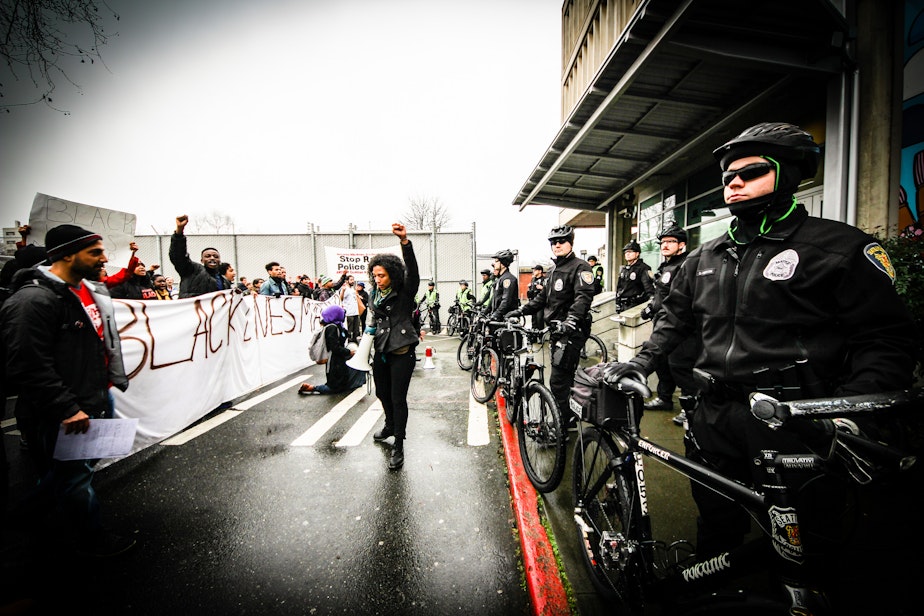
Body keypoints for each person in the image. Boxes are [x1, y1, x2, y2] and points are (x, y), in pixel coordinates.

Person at [603, 123, 919, 612]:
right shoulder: (705, 255)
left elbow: (886, 339)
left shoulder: (839, 249)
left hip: (796, 421)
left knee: (806, 549)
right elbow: (674, 323)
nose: (733, 182)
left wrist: (856, 412)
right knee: (717, 534)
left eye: (750, 172)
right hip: (712, 416)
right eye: (728, 175)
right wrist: (640, 365)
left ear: (789, 174)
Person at [0, 224, 134, 557]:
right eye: (95, 252)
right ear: (67, 254)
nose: (104, 258)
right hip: (67, 408)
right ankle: (93, 540)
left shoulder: (90, 291)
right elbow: (27, 363)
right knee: (76, 478)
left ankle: (25, 515)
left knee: (79, 468)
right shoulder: (34, 300)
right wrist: (66, 408)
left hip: (97, 396)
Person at [506, 225, 596, 427]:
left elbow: (583, 298)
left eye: (561, 241)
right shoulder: (554, 270)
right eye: (553, 243)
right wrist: (521, 311)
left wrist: (571, 321)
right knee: (564, 379)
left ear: (570, 243)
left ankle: (563, 425)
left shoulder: (581, 267)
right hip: (556, 331)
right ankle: (570, 416)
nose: (557, 245)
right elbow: (541, 299)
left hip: (572, 331)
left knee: (557, 381)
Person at [367, 223, 420, 471]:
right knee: (381, 393)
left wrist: (405, 243)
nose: (377, 280)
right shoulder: (373, 294)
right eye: (375, 275)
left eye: (382, 275)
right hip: (381, 350)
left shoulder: (405, 291)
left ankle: (398, 444)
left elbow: (414, 273)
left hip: (402, 351)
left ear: (393, 275)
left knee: (398, 399)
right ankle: (389, 425)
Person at [639, 225, 697, 422]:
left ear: (681, 244)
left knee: (681, 365)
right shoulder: (666, 266)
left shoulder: (686, 265)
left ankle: (691, 409)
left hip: (680, 327)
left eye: (670, 241)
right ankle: (664, 398)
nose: (665, 245)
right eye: (662, 242)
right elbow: (661, 295)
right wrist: (650, 308)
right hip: (662, 323)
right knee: (663, 364)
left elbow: (681, 300)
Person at [297, 305, 367, 395]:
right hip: (335, 363)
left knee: (342, 384)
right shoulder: (331, 328)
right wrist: (349, 352)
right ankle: (312, 388)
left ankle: (314, 388)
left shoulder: (337, 326)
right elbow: (335, 348)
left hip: (340, 361)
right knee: (335, 388)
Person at [169, 215, 232, 297]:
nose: (212, 258)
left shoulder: (225, 281)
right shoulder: (192, 271)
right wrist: (179, 232)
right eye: (208, 256)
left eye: (216, 256)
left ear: (219, 261)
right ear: (202, 260)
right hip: (193, 309)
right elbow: (178, 256)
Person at [614, 240, 654, 313]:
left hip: (636, 305)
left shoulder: (643, 268)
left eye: (630, 252)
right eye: (626, 252)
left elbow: (648, 288)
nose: (627, 254)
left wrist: (651, 303)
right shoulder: (625, 269)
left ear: (637, 254)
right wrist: (617, 302)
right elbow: (619, 287)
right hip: (623, 305)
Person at [489, 249, 519, 321]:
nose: (494, 263)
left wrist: (496, 314)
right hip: (499, 317)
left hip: (506, 319)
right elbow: (494, 298)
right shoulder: (500, 279)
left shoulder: (508, 279)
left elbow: (506, 300)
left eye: (496, 261)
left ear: (502, 263)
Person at [339, 274, 362, 343]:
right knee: (349, 329)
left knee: (356, 330)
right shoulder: (345, 289)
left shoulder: (352, 289)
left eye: (353, 280)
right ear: (346, 281)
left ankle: (355, 342)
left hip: (355, 312)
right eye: (351, 280)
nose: (353, 281)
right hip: (349, 313)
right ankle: (348, 342)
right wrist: (342, 291)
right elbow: (341, 299)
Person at [526, 264, 546, 330]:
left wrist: (542, 288)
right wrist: (529, 289)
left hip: (541, 303)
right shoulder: (533, 279)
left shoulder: (544, 280)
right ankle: (533, 336)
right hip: (533, 301)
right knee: (533, 320)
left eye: (535, 270)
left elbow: (548, 291)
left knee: (539, 319)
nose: (533, 271)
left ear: (540, 271)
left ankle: (541, 336)